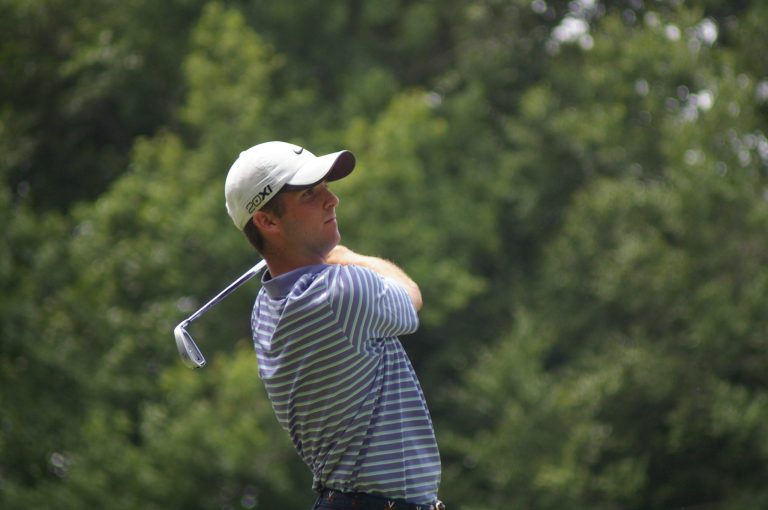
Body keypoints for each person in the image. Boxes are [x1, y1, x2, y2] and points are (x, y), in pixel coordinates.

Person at [224, 141, 445, 510]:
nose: (332, 200)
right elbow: (411, 295)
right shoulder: (341, 292)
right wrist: (344, 256)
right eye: (310, 194)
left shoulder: (265, 306)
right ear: (267, 221)